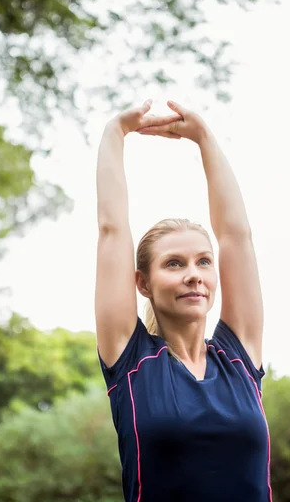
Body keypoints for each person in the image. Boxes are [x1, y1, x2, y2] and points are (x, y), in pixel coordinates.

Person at [95, 99, 272, 502]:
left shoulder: (239, 358)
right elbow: (111, 231)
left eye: (203, 262)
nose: (194, 273)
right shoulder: (132, 360)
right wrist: (115, 132)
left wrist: (204, 138)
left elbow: (236, 236)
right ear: (142, 283)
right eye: (174, 264)